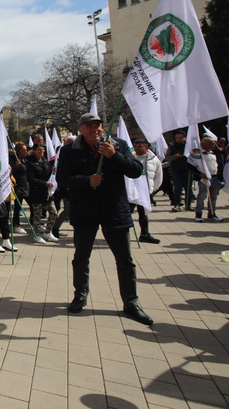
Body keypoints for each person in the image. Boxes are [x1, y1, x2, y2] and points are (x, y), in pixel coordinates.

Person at [57, 113, 153, 326]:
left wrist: (114, 156)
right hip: (85, 212)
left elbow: (136, 171)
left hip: (114, 210)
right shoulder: (68, 150)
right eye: (90, 126)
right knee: (81, 257)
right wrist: (86, 181)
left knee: (125, 260)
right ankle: (80, 295)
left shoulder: (117, 144)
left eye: (98, 126)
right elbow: (62, 179)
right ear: (81, 129)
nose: (95, 130)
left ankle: (131, 302)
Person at [26, 144, 59, 243]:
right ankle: (36, 235)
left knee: (53, 213)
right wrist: (44, 183)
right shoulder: (31, 163)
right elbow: (30, 179)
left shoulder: (44, 160)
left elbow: (46, 173)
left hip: (47, 193)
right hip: (37, 193)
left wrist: (52, 171)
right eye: (39, 149)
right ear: (34, 150)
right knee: (37, 215)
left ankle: (48, 232)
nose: (41, 151)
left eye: (43, 149)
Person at [132, 138, 163, 243]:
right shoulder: (131, 157)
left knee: (143, 214)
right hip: (132, 191)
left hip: (145, 192)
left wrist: (154, 190)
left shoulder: (154, 160)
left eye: (140, 147)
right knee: (126, 213)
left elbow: (159, 176)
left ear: (146, 147)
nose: (137, 149)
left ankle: (144, 234)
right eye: (135, 147)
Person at [193, 133, 224, 222]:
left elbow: (219, 165)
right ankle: (198, 214)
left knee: (213, 196)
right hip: (204, 178)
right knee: (202, 196)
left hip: (214, 177)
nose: (213, 145)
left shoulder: (213, 153)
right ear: (204, 144)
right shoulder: (198, 154)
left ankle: (212, 213)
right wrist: (199, 174)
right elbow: (190, 165)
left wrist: (220, 177)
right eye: (211, 143)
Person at [165, 131, 189, 212]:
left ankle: (188, 205)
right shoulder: (172, 147)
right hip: (176, 170)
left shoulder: (188, 146)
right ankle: (177, 205)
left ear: (184, 138)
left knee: (188, 188)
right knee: (178, 188)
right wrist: (176, 156)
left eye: (180, 138)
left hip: (188, 170)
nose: (178, 139)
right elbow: (167, 157)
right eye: (177, 138)